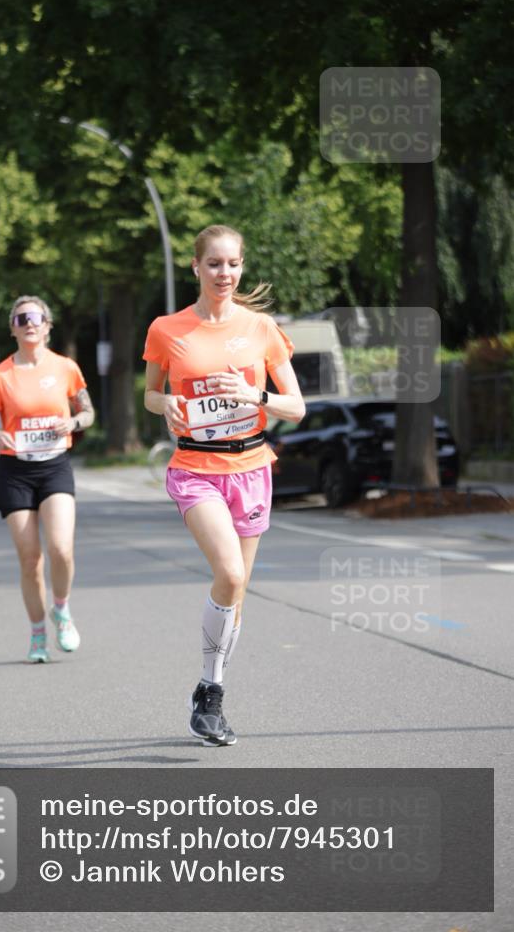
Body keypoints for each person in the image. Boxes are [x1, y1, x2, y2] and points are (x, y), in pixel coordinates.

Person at [143, 224, 305, 747]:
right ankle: (210, 696)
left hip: (252, 469)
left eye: (233, 264)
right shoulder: (167, 329)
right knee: (230, 574)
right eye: (214, 263)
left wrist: (254, 395)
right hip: (195, 468)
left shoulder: (260, 328)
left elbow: (296, 408)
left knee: (237, 594)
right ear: (196, 267)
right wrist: (165, 403)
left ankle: (210, 694)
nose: (225, 273)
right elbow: (150, 394)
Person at [0, 296, 95, 663]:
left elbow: (88, 412)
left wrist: (73, 422)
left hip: (54, 465)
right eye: (21, 318)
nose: (29, 322)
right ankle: (37, 633)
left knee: (61, 548)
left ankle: (60, 608)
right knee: (30, 559)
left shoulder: (65, 367)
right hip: (15, 470)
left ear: (47, 326)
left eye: (36, 317)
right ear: (12, 329)